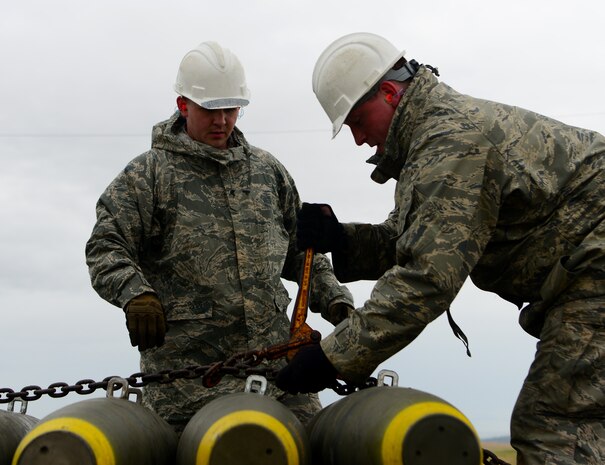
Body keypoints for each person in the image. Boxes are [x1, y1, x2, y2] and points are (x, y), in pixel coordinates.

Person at [275, 32, 605, 465]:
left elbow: (427, 277)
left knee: (554, 426)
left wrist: (334, 355)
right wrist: (342, 239)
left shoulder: (450, 143)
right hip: (586, 272)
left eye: (356, 122)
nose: (358, 140)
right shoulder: (433, 139)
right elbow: (414, 239)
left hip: (594, 271)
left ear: (389, 93)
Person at [85, 41, 353, 434]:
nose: (223, 121)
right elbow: (105, 246)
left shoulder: (267, 172)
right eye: (211, 109)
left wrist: (337, 303)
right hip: (190, 389)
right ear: (183, 105)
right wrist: (134, 293)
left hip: (281, 380)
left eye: (231, 109)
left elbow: (303, 255)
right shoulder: (147, 177)